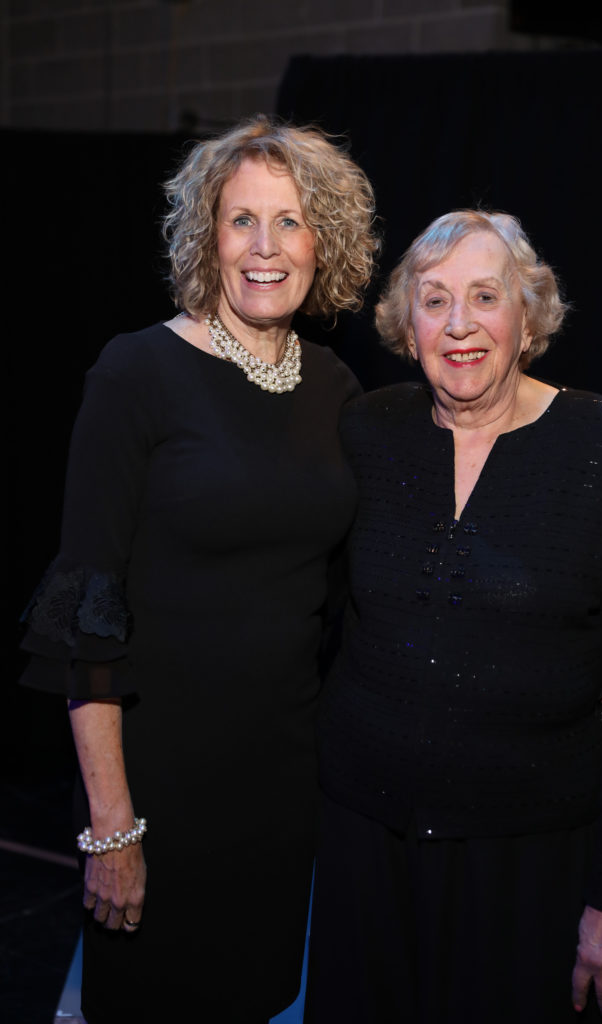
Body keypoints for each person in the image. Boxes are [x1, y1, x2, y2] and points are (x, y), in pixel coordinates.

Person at [20, 115, 378, 1023]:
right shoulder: (135, 372)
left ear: (322, 241)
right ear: (204, 237)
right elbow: (87, 613)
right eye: (241, 220)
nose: (266, 247)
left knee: (255, 1001)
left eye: (290, 222)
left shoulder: (338, 389)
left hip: (279, 791)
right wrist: (112, 825)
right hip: (155, 791)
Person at [304, 210, 602, 1024]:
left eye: (485, 296)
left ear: (528, 315)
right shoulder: (369, 431)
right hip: (363, 851)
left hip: (530, 870)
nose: (460, 324)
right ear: (407, 322)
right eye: (433, 300)